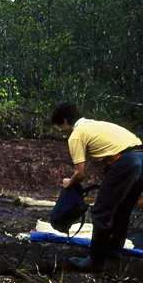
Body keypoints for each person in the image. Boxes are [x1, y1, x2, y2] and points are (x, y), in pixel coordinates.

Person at [51, 102, 143, 271]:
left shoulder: (76, 135)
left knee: (101, 212)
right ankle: (114, 256)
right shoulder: (94, 125)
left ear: (64, 121)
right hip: (140, 157)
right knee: (122, 211)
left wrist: (69, 182)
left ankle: (94, 261)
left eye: (58, 125)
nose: (59, 130)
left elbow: (81, 173)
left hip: (125, 163)